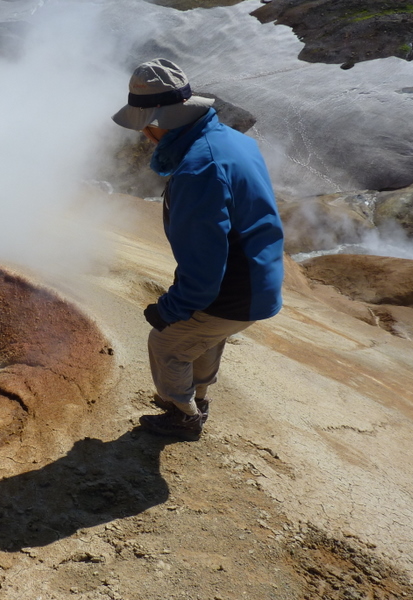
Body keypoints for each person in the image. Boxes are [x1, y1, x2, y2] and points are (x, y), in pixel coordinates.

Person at [112, 58, 284, 440]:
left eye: (144, 127)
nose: (143, 136)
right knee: (202, 336)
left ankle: (182, 416)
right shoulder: (233, 141)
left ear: (158, 121)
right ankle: (198, 400)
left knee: (167, 343)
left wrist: (169, 310)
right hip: (261, 275)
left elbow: (205, 266)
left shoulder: (198, 170)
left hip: (234, 289)